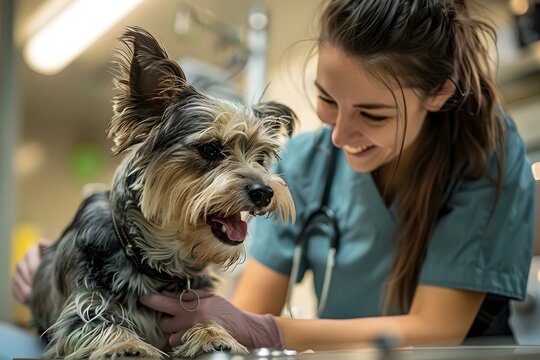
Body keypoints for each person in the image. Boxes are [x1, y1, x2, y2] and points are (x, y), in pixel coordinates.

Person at [10, 0, 536, 353]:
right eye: (327, 99)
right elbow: (243, 313)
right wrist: (68, 265)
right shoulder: (306, 161)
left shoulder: (486, 157)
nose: (338, 134)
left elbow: (436, 330)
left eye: (373, 115)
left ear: (439, 96)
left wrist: (266, 329)